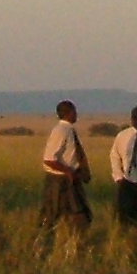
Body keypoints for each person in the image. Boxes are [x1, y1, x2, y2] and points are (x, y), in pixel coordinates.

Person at [38, 100, 92, 239]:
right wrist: (68, 172)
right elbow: (49, 158)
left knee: (74, 214)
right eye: (74, 111)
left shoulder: (68, 130)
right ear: (69, 113)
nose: (76, 114)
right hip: (60, 180)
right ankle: (47, 241)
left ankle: (68, 241)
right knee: (55, 215)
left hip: (68, 178)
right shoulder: (61, 130)